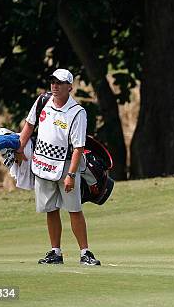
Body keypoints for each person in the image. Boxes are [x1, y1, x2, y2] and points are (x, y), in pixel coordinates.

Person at [15, 68, 101, 266]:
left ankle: (85, 253)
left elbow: (79, 147)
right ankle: (55, 252)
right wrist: (19, 148)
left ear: (69, 87)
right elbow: (29, 125)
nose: (55, 85)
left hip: (65, 166)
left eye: (59, 83)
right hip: (42, 164)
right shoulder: (42, 101)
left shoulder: (77, 112)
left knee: (74, 209)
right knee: (50, 209)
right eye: (53, 81)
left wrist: (71, 174)